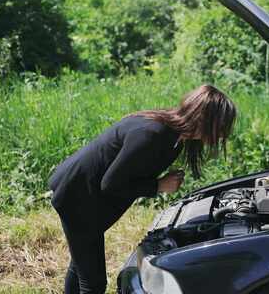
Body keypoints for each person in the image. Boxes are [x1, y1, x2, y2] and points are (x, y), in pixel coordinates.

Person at [48, 84, 237, 294]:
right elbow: (111, 183)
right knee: (93, 284)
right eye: (221, 126)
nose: (222, 134)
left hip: (85, 197)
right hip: (76, 196)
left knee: (81, 266)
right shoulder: (153, 134)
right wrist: (159, 185)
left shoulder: (173, 137)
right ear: (204, 118)